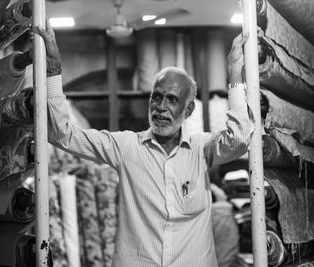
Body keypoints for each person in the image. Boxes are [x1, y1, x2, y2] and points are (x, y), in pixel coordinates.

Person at [36, 23, 252, 267]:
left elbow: (240, 139)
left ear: (188, 109)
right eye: (156, 97)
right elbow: (61, 134)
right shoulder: (127, 147)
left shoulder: (201, 149)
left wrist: (235, 74)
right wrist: (53, 67)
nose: (160, 107)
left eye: (172, 100)